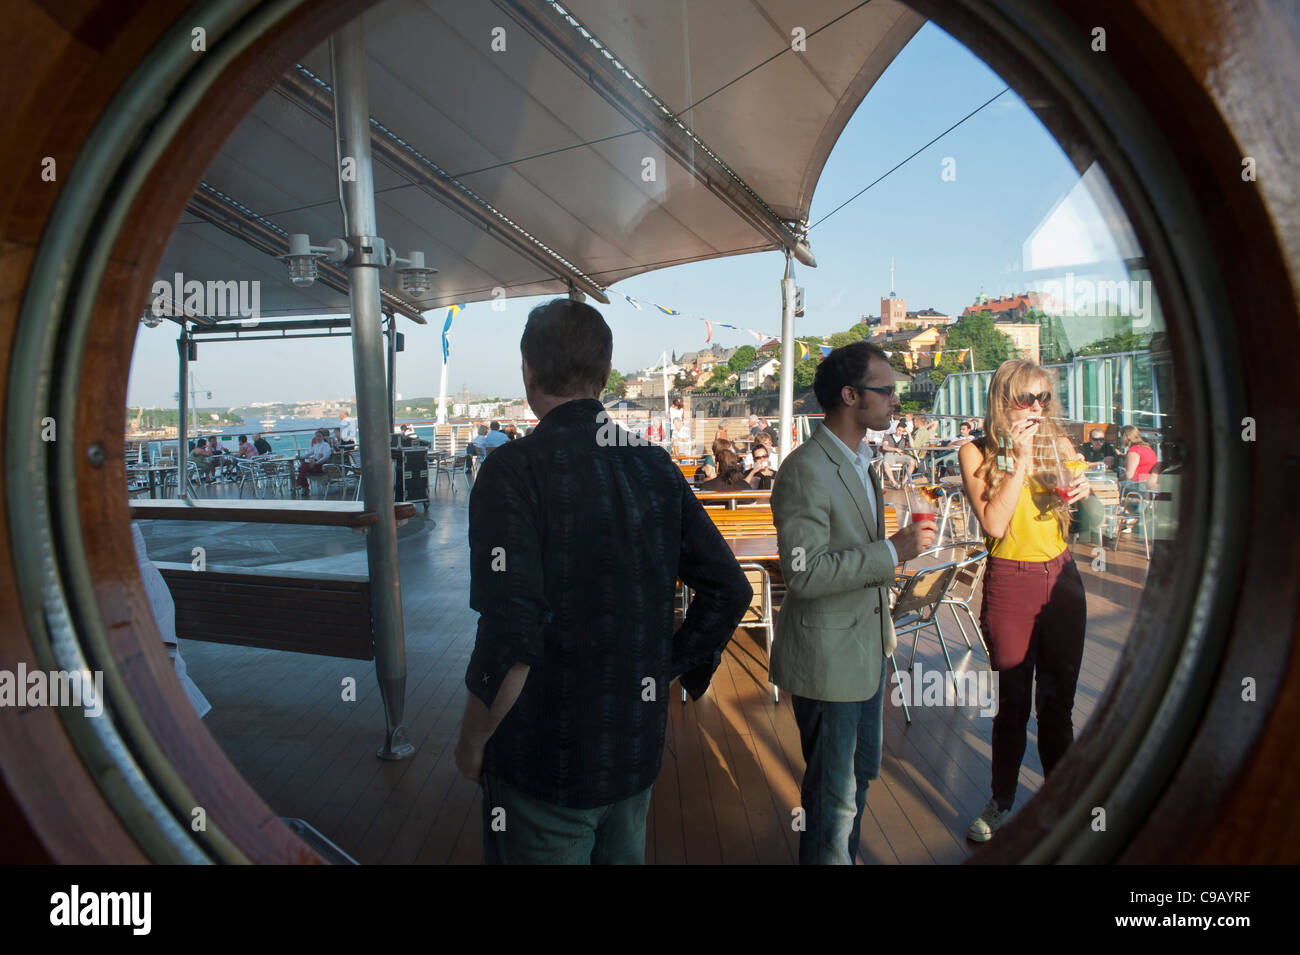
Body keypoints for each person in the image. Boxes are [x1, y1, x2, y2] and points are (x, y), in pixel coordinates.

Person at [456, 298, 750, 864]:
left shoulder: (513, 471)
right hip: (632, 752)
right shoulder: (653, 466)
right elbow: (729, 589)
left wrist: (472, 742)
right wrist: (667, 666)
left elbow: (512, 633)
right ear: (605, 376)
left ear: (528, 372)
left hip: (545, 759)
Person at [770, 342, 936, 864]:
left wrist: (894, 548)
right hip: (828, 664)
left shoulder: (861, 462)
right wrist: (894, 551)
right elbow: (803, 573)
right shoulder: (805, 470)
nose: (894, 401)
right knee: (833, 800)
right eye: (885, 391)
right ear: (849, 395)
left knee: (857, 782)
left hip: (864, 653)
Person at [958, 358, 1091, 842]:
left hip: (1061, 578)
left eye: (1043, 399)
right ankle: (1002, 801)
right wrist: (1019, 455)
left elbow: (1079, 505)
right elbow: (994, 524)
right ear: (1002, 400)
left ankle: (1064, 799)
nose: (1037, 408)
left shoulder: (1060, 443)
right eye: (1026, 398)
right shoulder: (975, 452)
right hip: (1010, 580)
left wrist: (1087, 487)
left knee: (1057, 706)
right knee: (1013, 704)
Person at [295, 429, 332, 495]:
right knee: (302, 468)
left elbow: (326, 457)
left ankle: (302, 485)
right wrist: (300, 457)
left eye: (319, 436)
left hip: (321, 465)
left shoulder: (326, 445)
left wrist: (317, 462)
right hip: (314, 464)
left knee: (302, 467)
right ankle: (302, 485)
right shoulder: (316, 445)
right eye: (317, 436)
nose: (318, 438)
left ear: (323, 437)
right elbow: (308, 453)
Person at [881, 422, 917, 487]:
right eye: (899, 430)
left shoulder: (904, 438)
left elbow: (913, 446)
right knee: (885, 463)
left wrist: (909, 433)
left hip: (901, 456)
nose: (899, 432)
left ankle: (904, 481)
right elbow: (884, 447)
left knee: (912, 462)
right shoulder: (888, 436)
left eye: (902, 431)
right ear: (896, 428)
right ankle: (894, 482)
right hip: (890, 454)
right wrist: (895, 449)